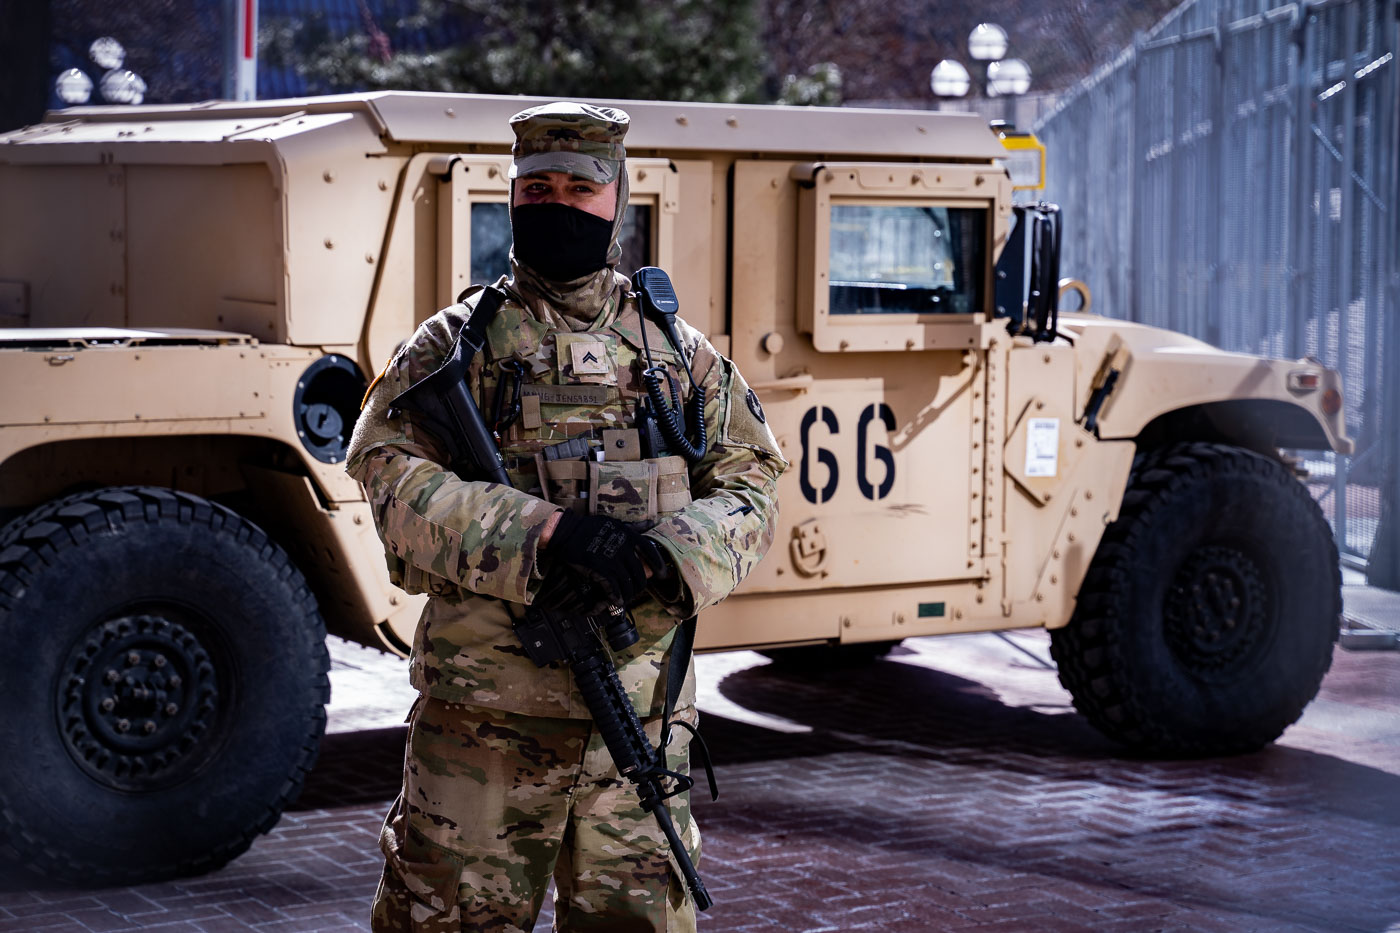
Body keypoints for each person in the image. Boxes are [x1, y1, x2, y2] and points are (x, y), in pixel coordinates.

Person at [347, 101, 785, 932]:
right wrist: (546, 536)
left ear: (617, 196)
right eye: (536, 187)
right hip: (483, 729)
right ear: (512, 198)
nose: (556, 204)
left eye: (578, 188)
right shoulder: (455, 345)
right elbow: (387, 473)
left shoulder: (677, 354)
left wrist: (665, 555)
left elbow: (752, 482)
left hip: (637, 725)